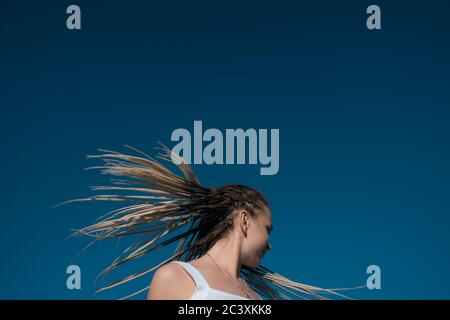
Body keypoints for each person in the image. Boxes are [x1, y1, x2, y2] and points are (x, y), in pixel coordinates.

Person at [57, 144, 357, 300]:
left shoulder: (255, 295)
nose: (270, 243)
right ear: (243, 220)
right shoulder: (178, 278)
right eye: (267, 229)